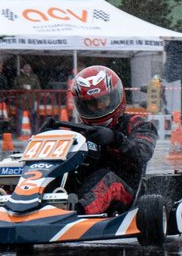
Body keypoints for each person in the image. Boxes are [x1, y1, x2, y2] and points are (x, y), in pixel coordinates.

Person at [63, 65, 158, 216]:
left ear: (116, 96)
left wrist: (116, 139)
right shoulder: (80, 129)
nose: (98, 108)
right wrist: (47, 136)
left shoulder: (137, 123)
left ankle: (74, 213)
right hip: (83, 187)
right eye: (91, 105)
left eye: (103, 101)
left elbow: (143, 153)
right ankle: (31, 206)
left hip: (127, 190)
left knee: (108, 179)